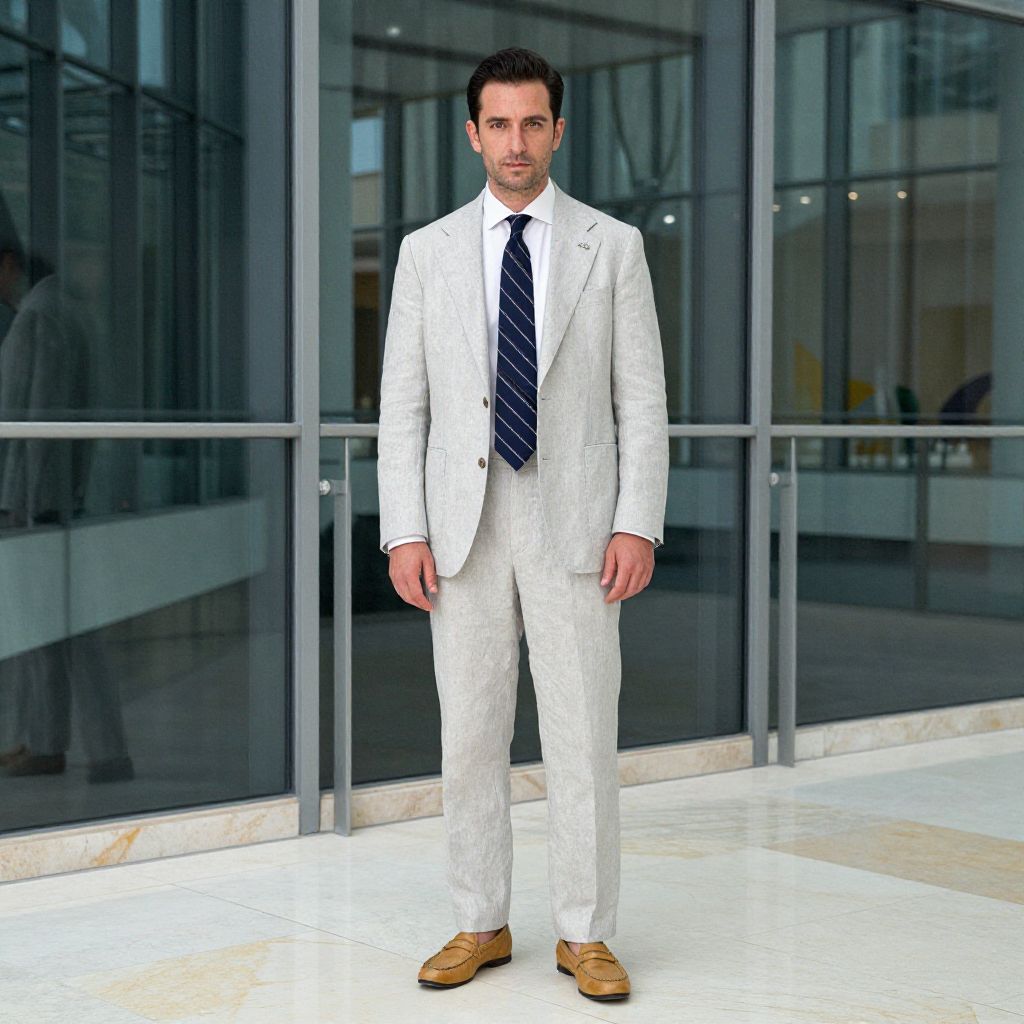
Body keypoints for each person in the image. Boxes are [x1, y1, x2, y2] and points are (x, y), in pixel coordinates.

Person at [376, 47, 668, 1002]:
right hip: (462, 529)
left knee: (583, 735)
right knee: (469, 737)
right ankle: (480, 920)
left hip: (576, 524)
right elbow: (403, 410)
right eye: (497, 124)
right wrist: (403, 530)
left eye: (532, 122)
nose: (515, 141)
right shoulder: (428, 252)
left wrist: (639, 523)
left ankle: (586, 935)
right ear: (473, 133)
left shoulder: (611, 246)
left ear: (558, 129)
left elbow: (643, 404)